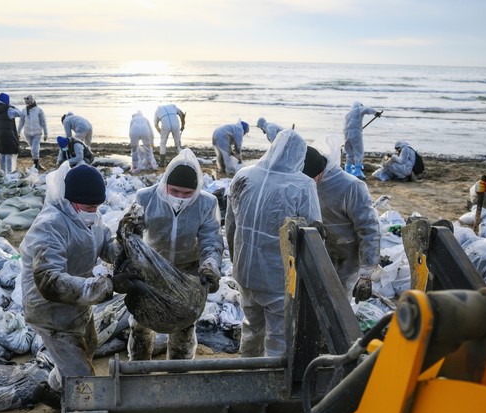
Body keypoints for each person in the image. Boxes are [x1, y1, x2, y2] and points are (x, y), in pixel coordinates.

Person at [20, 164, 124, 396]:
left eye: (97, 206)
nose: (94, 211)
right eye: (89, 206)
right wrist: (95, 287)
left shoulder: (91, 217)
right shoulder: (50, 225)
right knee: (81, 376)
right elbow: (49, 280)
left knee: (89, 346)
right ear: (70, 200)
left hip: (77, 302)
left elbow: (107, 247)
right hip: (49, 311)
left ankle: (54, 389)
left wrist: (127, 244)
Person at [225, 129, 321, 357]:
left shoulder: (244, 175)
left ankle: (246, 371)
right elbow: (314, 235)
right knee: (279, 336)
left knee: (251, 326)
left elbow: (230, 226)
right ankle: (272, 381)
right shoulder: (302, 185)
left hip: (245, 272)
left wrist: (235, 258)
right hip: (278, 278)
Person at [128, 148, 223, 360]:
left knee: (184, 327)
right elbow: (132, 236)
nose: (181, 197)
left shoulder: (207, 204)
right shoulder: (145, 197)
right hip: (151, 269)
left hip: (187, 273)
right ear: (165, 185)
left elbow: (211, 240)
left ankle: (178, 371)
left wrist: (210, 264)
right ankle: (138, 367)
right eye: (175, 191)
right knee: (141, 323)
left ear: (197, 190)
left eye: (188, 194)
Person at [302, 136, 381, 300]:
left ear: (319, 172)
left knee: (338, 301)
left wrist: (366, 274)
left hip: (345, 256)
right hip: (317, 250)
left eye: (310, 179)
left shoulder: (350, 186)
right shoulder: (305, 184)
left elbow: (368, 228)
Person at [343, 101, 381, 180]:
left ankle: (348, 170)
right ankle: (357, 172)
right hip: (356, 133)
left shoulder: (348, 114)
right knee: (358, 152)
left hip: (346, 133)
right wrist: (375, 112)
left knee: (349, 153)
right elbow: (366, 108)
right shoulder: (358, 109)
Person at [0, 92, 23, 174]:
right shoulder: (9, 110)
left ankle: (2, 172)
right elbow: (20, 114)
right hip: (8, 135)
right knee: (9, 154)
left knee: (2, 153)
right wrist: (12, 106)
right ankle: (10, 173)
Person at [17, 95, 48, 171]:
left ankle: (36, 165)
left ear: (32, 102)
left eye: (28, 103)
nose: (27, 104)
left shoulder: (39, 110)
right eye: (26, 103)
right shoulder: (24, 110)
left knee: (35, 148)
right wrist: (18, 132)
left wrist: (45, 133)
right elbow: (21, 122)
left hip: (37, 132)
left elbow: (43, 122)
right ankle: (36, 164)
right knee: (33, 149)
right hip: (27, 133)